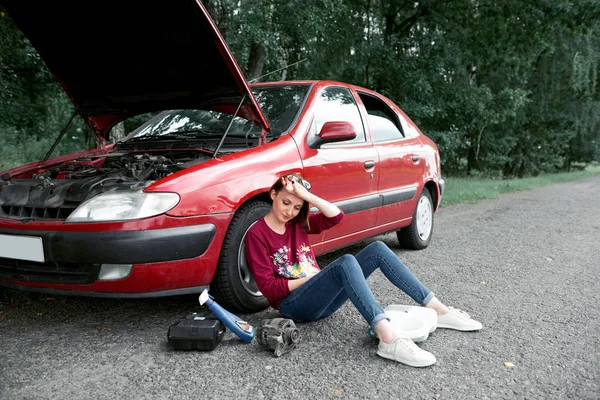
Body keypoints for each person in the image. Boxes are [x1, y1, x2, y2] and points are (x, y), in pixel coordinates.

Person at [244, 174, 482, 367]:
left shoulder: (296, 223)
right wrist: (311, 277)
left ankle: (437, 309)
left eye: (297, 207)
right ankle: (388, 336)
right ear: (273, 195)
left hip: (322, 301)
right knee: (346, 262)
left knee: (377, 248)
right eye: (286, 203)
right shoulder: (257, 234)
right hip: (293, 306)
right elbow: (269, 289)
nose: (290, 211)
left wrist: (307, 196)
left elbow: (336, 216)